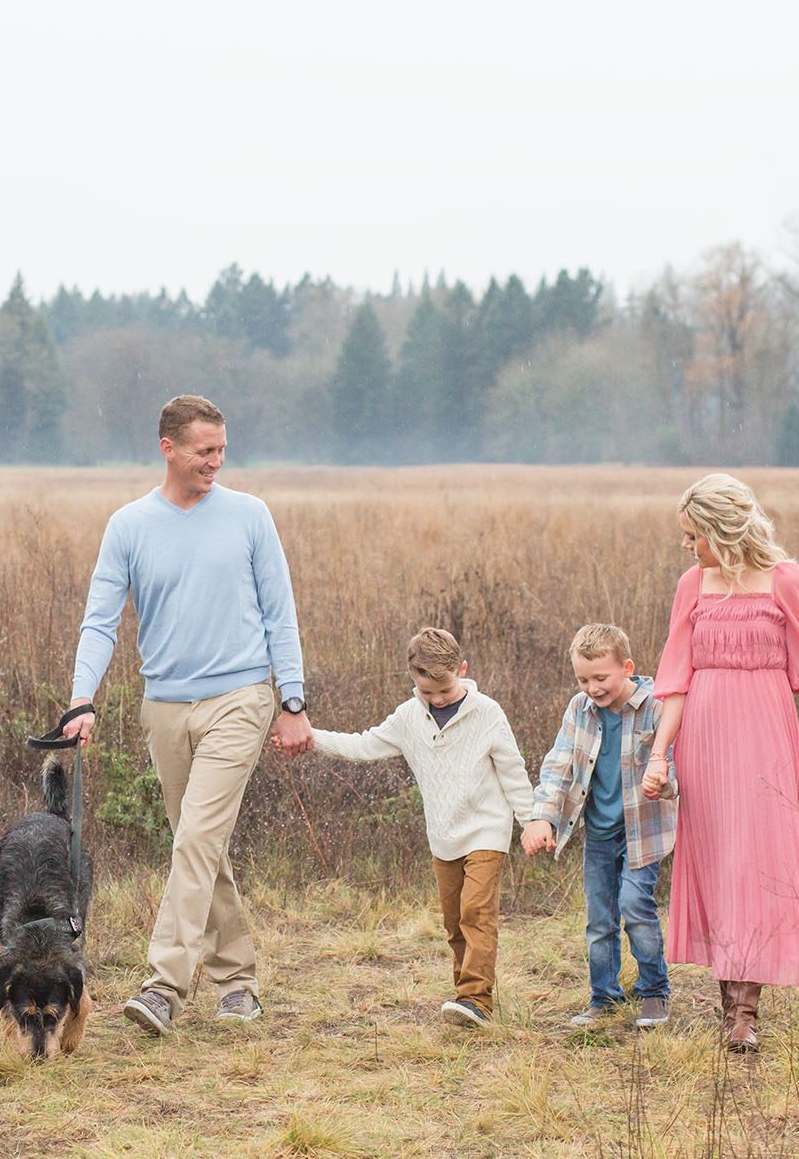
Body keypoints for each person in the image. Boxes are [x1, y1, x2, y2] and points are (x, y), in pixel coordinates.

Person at [61, 395, 313, 1036]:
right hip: (165, 707)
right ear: (168, 448)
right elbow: (100, 622)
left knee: (197, 839)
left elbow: (280, 614)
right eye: (205, 450)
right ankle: (238, 982)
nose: (217, 462)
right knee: (200, 846)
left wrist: (291, 702)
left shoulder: (250, 517)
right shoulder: (129, 526)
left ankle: (163, 986)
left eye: (222, 449)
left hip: (241, 698)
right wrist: (81, 698)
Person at [639, 473, 799, 1052]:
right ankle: (735, 1012)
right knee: (720, 860)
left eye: (692, 535)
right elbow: (674, 678)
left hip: (768, 734)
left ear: (722, 530)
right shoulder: (691, 586)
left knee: (759, 859)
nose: (686, 546)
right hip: (704, 735)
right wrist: (660, 756)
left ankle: (746, 1010)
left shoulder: (790, 582)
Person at [311, 628, 540, 1028]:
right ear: (413, 679)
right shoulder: (407, 718)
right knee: (454, 922)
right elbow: (362, 745)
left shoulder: (487, 713)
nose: (436, 699)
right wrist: (309, 737)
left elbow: (512, 771)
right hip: (444, 835)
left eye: (444, 690)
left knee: (476, 912)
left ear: (461, 670)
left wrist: (531, 820)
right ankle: (465, 998)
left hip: (487, 828)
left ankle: (477, 999)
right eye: (426, 692)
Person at [525, 623, 678, 1029]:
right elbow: (559, 765)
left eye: (601, 678)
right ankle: (604, 998)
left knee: (635, 907)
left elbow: (677, 763)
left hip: (643, 830)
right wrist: (543, 816)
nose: (592, 687)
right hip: (599, 831)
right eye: (583, 679)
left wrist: (663, 780)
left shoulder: (656, 707)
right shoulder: (580, 709)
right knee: (598, 918)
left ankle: (654, 992)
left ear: (627, 667)